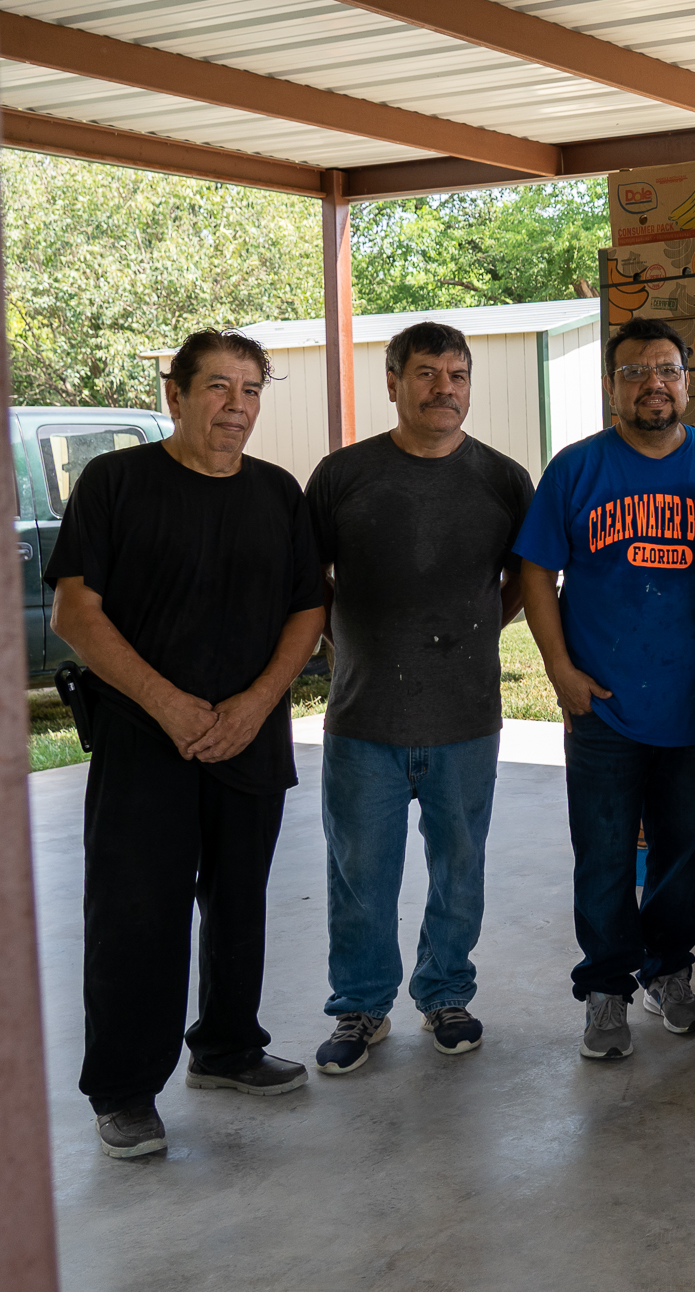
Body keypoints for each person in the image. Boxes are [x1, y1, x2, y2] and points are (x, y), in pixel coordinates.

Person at [47, 330, 326, 1159]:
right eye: (218, 388)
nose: (236, 407)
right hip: (142, 738)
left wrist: (254, 704)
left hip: (250, 734)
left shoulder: (279, 493)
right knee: (138, 913)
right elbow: (74, 613)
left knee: (241, 902)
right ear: (175, 394)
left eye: (250, 390)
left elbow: (307, 611)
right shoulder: (117, 482)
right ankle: (127, 1089)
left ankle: (230, 1045)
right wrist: (169, 705)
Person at [306, 321, 534, 1074]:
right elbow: (311, 587)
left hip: (466, 716)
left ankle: (446, 992)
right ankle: (360, 1007)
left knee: (458, 865)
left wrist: (472, 635)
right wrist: (355, 642)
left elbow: (523, 584)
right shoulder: (341, 476)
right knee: (360, 871)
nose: (445, 388)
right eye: (428, 373)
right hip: (362, 717)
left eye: (458, 374)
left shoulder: (502, 479)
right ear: (393, 381)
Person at [515, 318, 695, 1061]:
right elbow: (534, 573)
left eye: (668, 369)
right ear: (612, 385)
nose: (654, 383)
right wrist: (559, 670)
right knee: (605, 853)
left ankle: (668, 974)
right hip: (603, 702)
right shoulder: (577, 468)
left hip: (693, 698)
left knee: (679, 852)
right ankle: (607, 988)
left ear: (687, 381)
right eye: (636, 371)